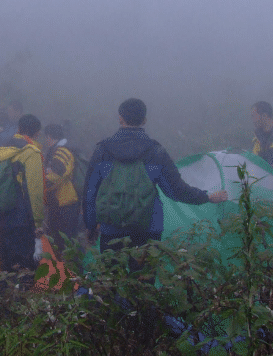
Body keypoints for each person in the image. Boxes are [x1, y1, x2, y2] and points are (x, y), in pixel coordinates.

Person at [83, 98, 228, 265]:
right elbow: (175, 190)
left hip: (111, 230)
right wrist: (207, 197)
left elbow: (90, 192)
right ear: (144, 121)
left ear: (120, 118)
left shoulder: (102, 150)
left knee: (111, 282)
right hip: (148, 230)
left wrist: (90, 226)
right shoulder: (156, 152)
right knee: (144, 282)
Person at [0, 113, 45, 279]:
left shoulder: (3, 149)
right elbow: (34, 189)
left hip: (3, 215)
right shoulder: (31, 152)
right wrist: (37, 222)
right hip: (23, 219)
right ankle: (22, 300)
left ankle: (4, 301)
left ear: (18, 129)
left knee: (7, 265)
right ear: (37, 133)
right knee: (25, 267)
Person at [42, 123, 80, 247]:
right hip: (61, 202)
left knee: (64, 239)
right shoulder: (60, 149)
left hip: (64, 202)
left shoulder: (62, 151)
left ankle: (69, 265)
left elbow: (57, 176)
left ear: (49, 136)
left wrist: (40, 187)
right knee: (61, 237)